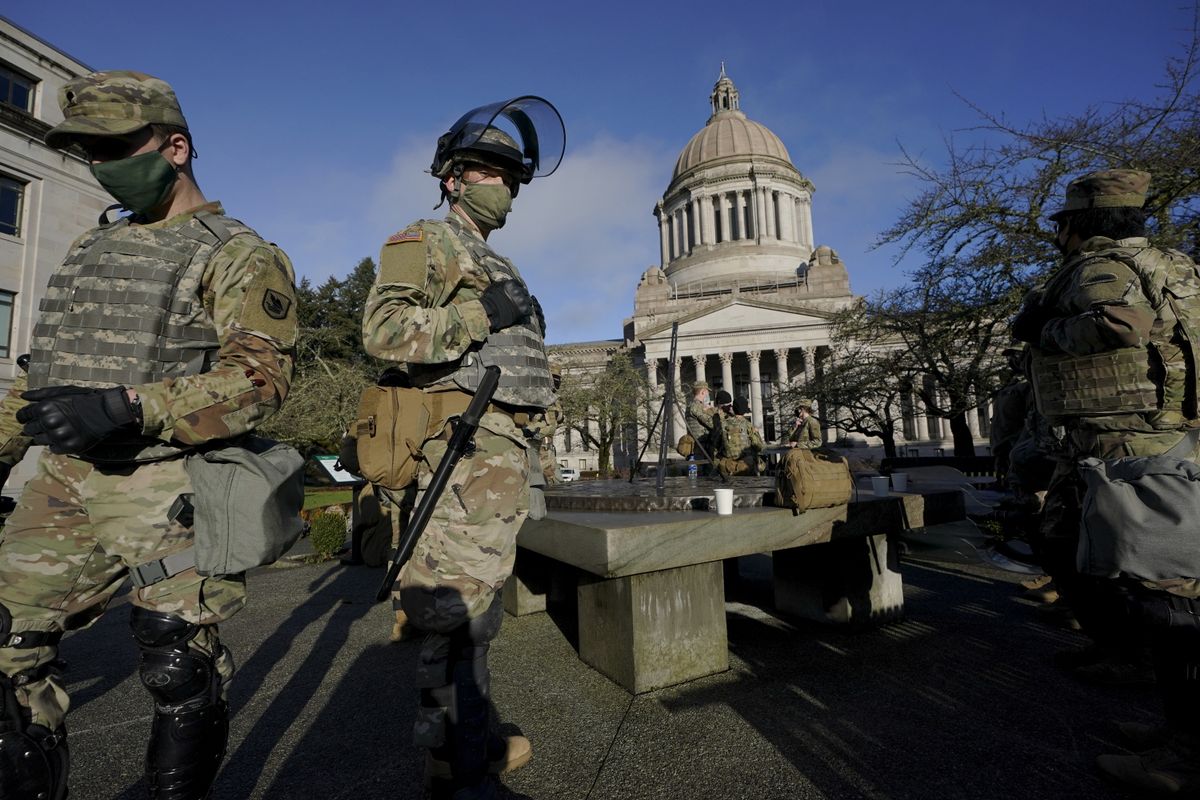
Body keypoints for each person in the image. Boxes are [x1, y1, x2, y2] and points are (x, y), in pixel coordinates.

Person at [0, 71, 298, 799]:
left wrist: (131, 406)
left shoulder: (237, 251)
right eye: (88, 152)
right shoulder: (90, 251)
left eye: (113, 147)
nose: (100, 165)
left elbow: (260, 380)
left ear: (176, 146)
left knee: (179, 666)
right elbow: (34, 380)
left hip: (168, 484)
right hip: (63, 482)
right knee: (7, 648)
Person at [361, 96, 564, 799]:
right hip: (462, 454)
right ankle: (460, 771)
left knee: (475, 617)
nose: (504, 185)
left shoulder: (497, 260)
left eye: (512, 177)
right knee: (458, 623)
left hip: (499, 459)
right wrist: (481, 312)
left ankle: (461, 754)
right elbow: (384, 333)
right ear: (454, 178)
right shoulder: (427, 240)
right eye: (490, 172)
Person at [1012, 168, 1200, 794]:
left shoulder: (1104, 269)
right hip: (1152, 444)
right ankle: (1157, 699)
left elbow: (1121, 326)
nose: (1058, 236)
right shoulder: (1175, 265)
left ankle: (1186, 756)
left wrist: (1042, 330)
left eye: (1061, 225)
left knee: (1170, 599)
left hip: (1134, 449)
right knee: (1082, 551)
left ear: (1077, 224)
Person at [717, 396, 765, 476]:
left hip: (728, 467)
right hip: (746, 467)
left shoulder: (723, 424)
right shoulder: (748, 425)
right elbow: (759, 447)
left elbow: (717, 444)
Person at [685, 381, 717, 459]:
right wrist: (712, 412)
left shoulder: (690, 405)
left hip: (696, 446)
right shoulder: (697, 406)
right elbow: (712, 424)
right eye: (707, 393)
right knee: (704, 470)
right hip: (700, 447)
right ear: (702, 392)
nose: (708, 395)